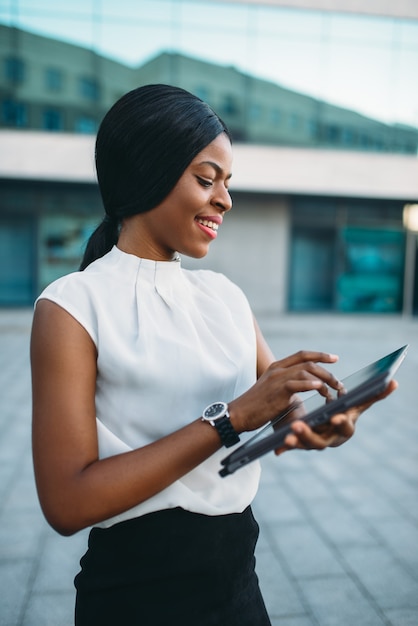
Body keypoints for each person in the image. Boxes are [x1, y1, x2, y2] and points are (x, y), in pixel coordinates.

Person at [30, 84, 396, 626]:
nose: (224, 199)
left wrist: (316, 423)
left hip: (237, 587)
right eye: (206, 179)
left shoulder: (223, 295)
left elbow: (277, 406)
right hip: (134, 596)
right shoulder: (70, 306)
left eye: (227, 183)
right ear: (146, 172)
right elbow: (67, 504)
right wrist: (228, 421)